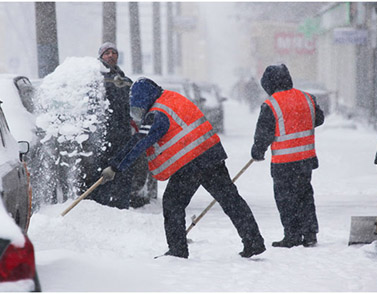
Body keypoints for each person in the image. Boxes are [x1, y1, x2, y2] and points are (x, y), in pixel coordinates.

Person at [100, 77, 266, 259]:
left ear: (144, 98)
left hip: (190, 162)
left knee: (173, 204)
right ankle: (253, 241)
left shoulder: (158, 113)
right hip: (211, 154)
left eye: (139, 106)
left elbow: (139, 141)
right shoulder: (172, 98)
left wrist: (116, 166)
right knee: (230, 200)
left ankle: (177, 250)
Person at [251, 64, 324, 248]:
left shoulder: (271, 104)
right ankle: (309, 233)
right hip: (306, 158)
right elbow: (319, 119)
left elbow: (264, 133)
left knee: (286, 199)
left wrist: (258, 151)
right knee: (305, 194)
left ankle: (292, 235)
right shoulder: (307, 98)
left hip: (284, 162)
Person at [80, 42, 134, 209]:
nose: (110, 55)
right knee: (101, 173)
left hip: (123, 135)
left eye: (113, 52)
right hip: (102, 136)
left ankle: (121, 206)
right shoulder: (94, 79)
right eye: (106, 53)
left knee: (123, 173)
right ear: (100, 57)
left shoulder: (125, 81)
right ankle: (100, 206)